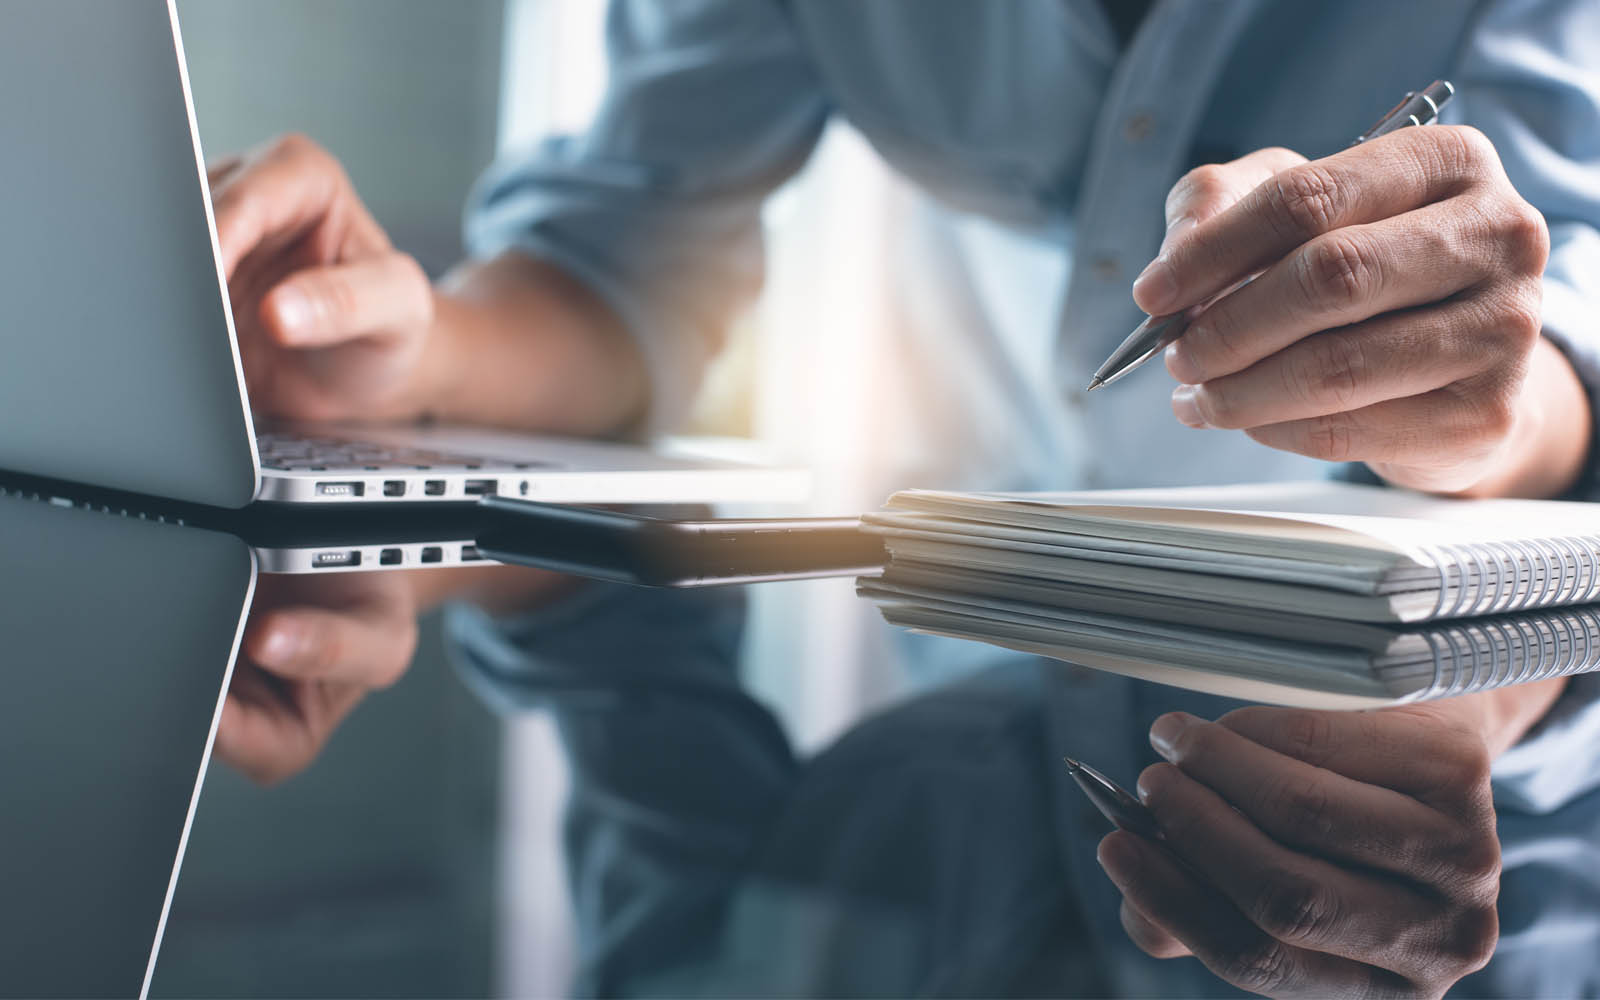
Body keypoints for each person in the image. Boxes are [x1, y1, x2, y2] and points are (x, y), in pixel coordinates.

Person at [210, 1, 1600, 995]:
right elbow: (627, 249)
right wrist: (420, 348)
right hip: (968, 590)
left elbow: (1551, 304)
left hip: (1444, 662)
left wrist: (1501, 404)